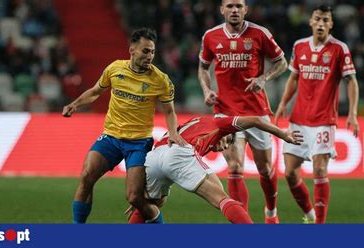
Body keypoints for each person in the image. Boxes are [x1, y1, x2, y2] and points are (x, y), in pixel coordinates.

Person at [62, 28, 187, 224]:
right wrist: (74, 104)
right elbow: (95, 91)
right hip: (111, 137)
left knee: (134, 197)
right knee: (87, 176)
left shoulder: (161, 80)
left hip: (138, 143)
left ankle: (159, 226)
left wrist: (172, 133)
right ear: (132, 50)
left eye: (152, 52)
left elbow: (169, 111)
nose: (150, 56)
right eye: (145, 51)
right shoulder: (115, 69)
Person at [198, 0, 288, 223]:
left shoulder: (259, 34)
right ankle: (243, 225)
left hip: (256, 111)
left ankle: (271, 212)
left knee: (265, 169)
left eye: (239, 6)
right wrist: (207, 89)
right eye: (230, 6)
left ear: (246, 10)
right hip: (225, 111)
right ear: (222, 10)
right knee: (235, 166)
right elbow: (203, 67)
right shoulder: (210, 36)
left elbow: (282, 62)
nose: (234, 10)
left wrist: (263, 78)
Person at [126, 115, 303, 224]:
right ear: (227, 133)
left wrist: (141, 193)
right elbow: (256, 120)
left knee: (149, 203)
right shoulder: (220, 123)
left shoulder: (194, 122)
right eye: (227, 141)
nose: (222, 148)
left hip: (155, 155)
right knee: (221, 198)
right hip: (179, 152)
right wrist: (283, 134)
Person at [274, 5, 360, 224]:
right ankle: (310, 214)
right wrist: (283, 103)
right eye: (317, 19)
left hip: (323, 120)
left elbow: (351, 81)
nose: (321, 23)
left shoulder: (339, 49)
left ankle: (320, 226)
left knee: (319, 169)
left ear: (331, 24)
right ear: (311, 22)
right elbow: (293, 78)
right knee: (290, 173)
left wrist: (353, 113)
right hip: (299, 119)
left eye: (325, 20)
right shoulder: (299, 46)